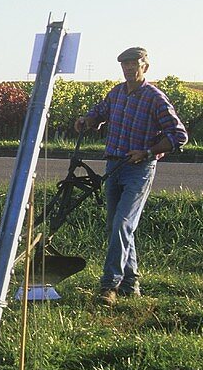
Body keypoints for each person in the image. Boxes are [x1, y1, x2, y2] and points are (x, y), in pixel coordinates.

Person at [73, 47, 188, 305]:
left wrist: (147, 152)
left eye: (133, 65)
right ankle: (130, 283)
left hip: (138, 169)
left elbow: (179, 136)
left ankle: (109, 285)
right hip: (113, 167)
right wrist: (87, 120)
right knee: (118, 226)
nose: (128, 70)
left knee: (122, 224)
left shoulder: (155, 98)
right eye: (124, 66)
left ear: (144, 67)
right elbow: (100, 112)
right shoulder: (116, 94)